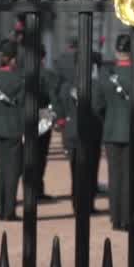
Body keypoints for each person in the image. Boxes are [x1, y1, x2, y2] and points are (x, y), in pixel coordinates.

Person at [93, 34, 134, 230]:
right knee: (129, 176)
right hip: (133, 130)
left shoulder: (107, 76)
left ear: (117, 52)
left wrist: (108, 121)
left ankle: (115, 217)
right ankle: (128, 218)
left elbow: (98, 104)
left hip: (111, 130)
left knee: (114, 175)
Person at [57, 45, 102, 216]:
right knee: (89, 171)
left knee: (76, 171)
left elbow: (61, 106)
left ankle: (77, 204)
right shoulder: (95, 85)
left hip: (71, 132)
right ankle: (87, 204)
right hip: (90, 132)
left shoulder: (67, 85)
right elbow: (99, 107)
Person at [0, 40, 25, 221]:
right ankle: (9, 210)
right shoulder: (19, 80)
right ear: (12, 60)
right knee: (12, 171)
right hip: (13, 130)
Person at [33, 45, 64, 201]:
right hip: (43, 115)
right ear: (43, 58)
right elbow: (54, 96)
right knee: (40, 155)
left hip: (24, 116)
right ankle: (37, 188)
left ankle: (30, 188)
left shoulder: (21, 73)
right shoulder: (49, 75)